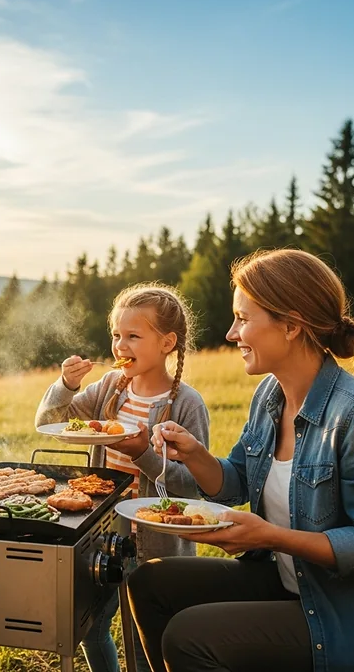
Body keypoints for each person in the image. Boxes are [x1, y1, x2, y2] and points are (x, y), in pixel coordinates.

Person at [128, 249, 354, 672]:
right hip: (290, 581)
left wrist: (270, 537)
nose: (231, 333)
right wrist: (193, 453)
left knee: (189, 637)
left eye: (243, 319)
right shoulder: (270, 394)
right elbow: (235, 482)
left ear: (291, 326)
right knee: (150, 581)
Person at [35, 283, 210, 672]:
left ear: (167, 343)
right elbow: (48, 423)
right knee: (92, 626)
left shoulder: (185, 404)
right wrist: (66, 386)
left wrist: (143, 454)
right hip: (100, 532)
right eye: (116, 335)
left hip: (154, 542)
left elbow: (194, 488)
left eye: (133, 336)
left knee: (143, 634)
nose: (120, 346)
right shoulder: (110, 388)